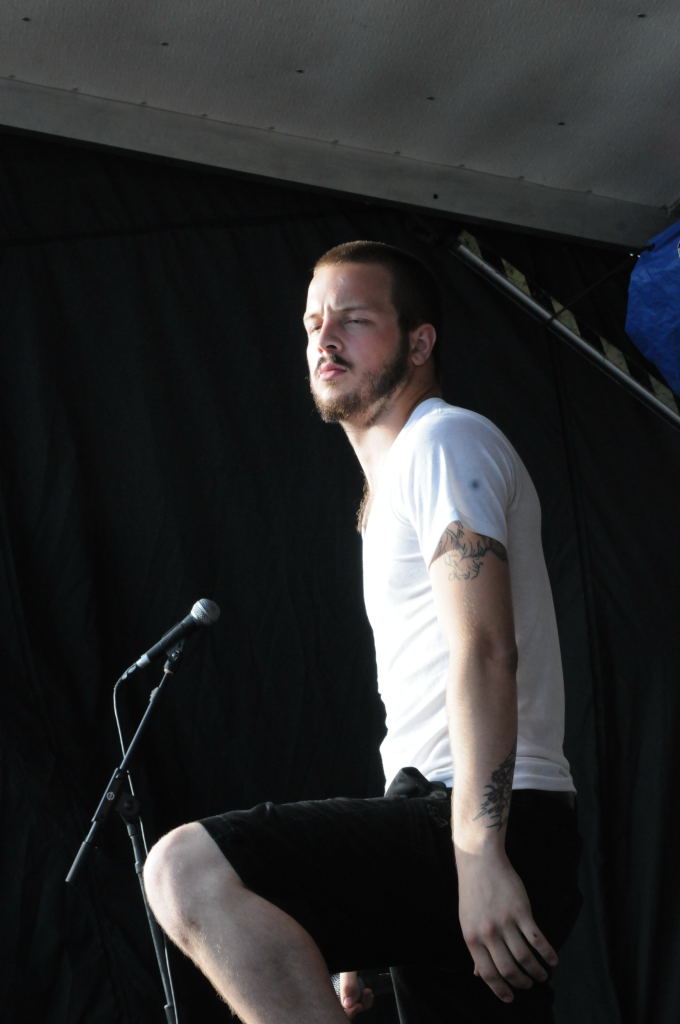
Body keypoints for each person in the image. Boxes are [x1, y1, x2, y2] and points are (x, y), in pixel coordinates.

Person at [143, 240, 581, 1023]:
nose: (325, 338)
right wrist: (346, 925)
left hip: (488, 819)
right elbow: (420, 700)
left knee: (185, 870)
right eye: (313, 322)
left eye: (355, 319)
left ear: (419, 341)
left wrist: (478, 853)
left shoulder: (443, 441)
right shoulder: (386, 491)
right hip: (456, 818)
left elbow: (485, 649)